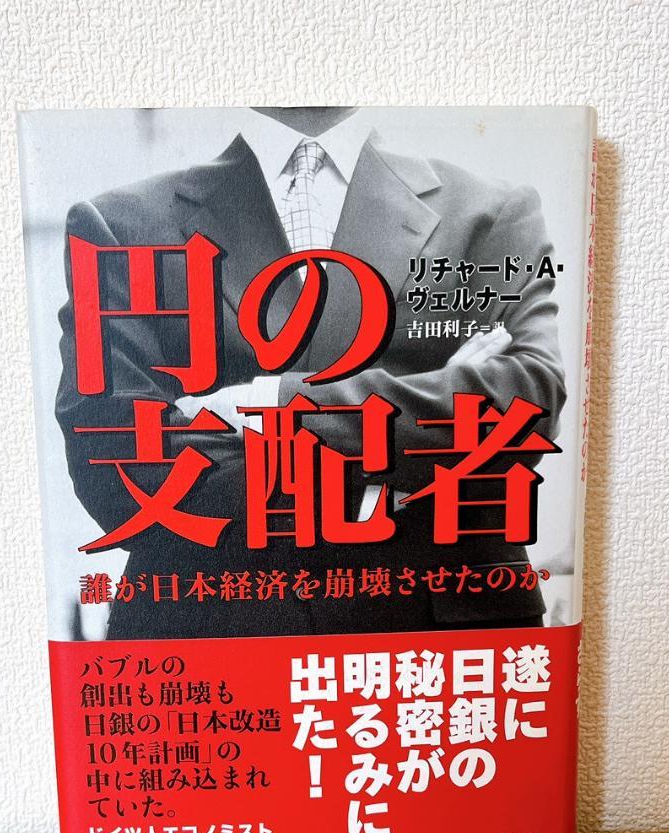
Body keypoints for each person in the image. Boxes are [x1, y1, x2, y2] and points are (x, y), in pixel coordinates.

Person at [56, 107, 565, 639]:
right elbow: (114, 461)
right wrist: (409, 469)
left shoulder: (490, 212)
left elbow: (528, 402)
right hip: (217, 633)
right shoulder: (120, 225)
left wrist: (269, 404)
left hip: (439, 637)